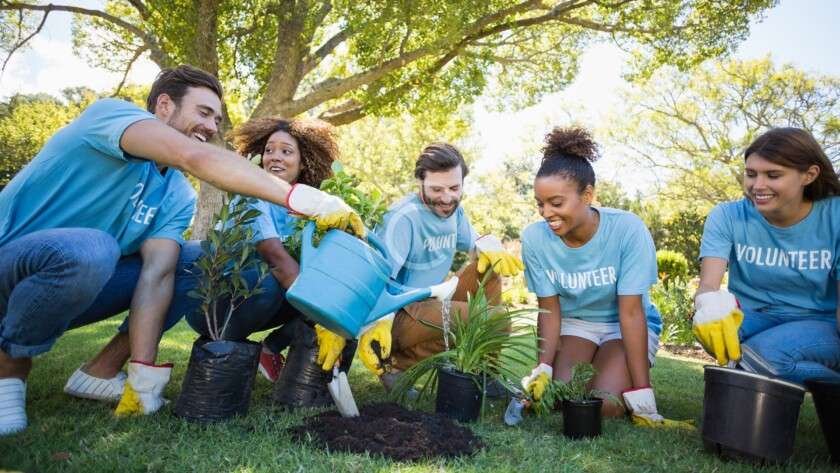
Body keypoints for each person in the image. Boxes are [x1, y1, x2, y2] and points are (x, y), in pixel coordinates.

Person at [0, 65, 363, 436]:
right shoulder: (110, 117)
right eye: (203, 112)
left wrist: (143, 374)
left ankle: (102, 371)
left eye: (216, 119)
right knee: (95, 247)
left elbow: (158, 277)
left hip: (78, 281)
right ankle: (8, 370)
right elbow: (193, 156)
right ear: (163, 106)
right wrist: (306, 200)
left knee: (193, 259)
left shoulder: (176, 194)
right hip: (11, 267)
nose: (211, 126)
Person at [519, 127, 683, 427]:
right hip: (576, 324)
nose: (546, 213)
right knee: (560, 397)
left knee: (605, 405)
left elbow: (631, 312)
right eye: (540, 204)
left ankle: (620, 378)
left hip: (623, 325)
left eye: (556, 203)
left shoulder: (627, 230)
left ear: (587, 195)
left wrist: (642, 396)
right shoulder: (534, 239)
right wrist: (543, 369)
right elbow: (549, 310)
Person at [352, 142, 524, 390]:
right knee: (495, 320)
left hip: (431, 301)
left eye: (454, 188)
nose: (446, 198)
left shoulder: (455, 213)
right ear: (420, 182)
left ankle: (483, 372)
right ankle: (396, 364)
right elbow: (378, 279)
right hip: (397, 314)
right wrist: (377, 326)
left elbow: (476, 246)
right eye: (436, 189)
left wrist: (490, 246)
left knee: (488, 269)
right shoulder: (403, 218)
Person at [185, 117, 339, 382]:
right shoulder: (251, 196)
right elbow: (276, 259)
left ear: (303, 162)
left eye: (286, 151)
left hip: (259, 298)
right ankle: (227, 349)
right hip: (214, 303)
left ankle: (270, 350)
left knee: (318, 286)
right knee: (278, 280)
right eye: (269, 150)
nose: (274, 157)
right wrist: (325, 316)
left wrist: (336, 310)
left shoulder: (303, 208)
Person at [693, 127, 840, 384]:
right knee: (715, 333)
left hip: (821, 322)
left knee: (763, 355)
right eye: (751, 174)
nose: (758, 186)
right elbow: (708, 286)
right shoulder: (727, 216)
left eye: (773, 175)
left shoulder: (834, 216)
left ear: (809, 175)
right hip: (753, 315)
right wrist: (708, 309)